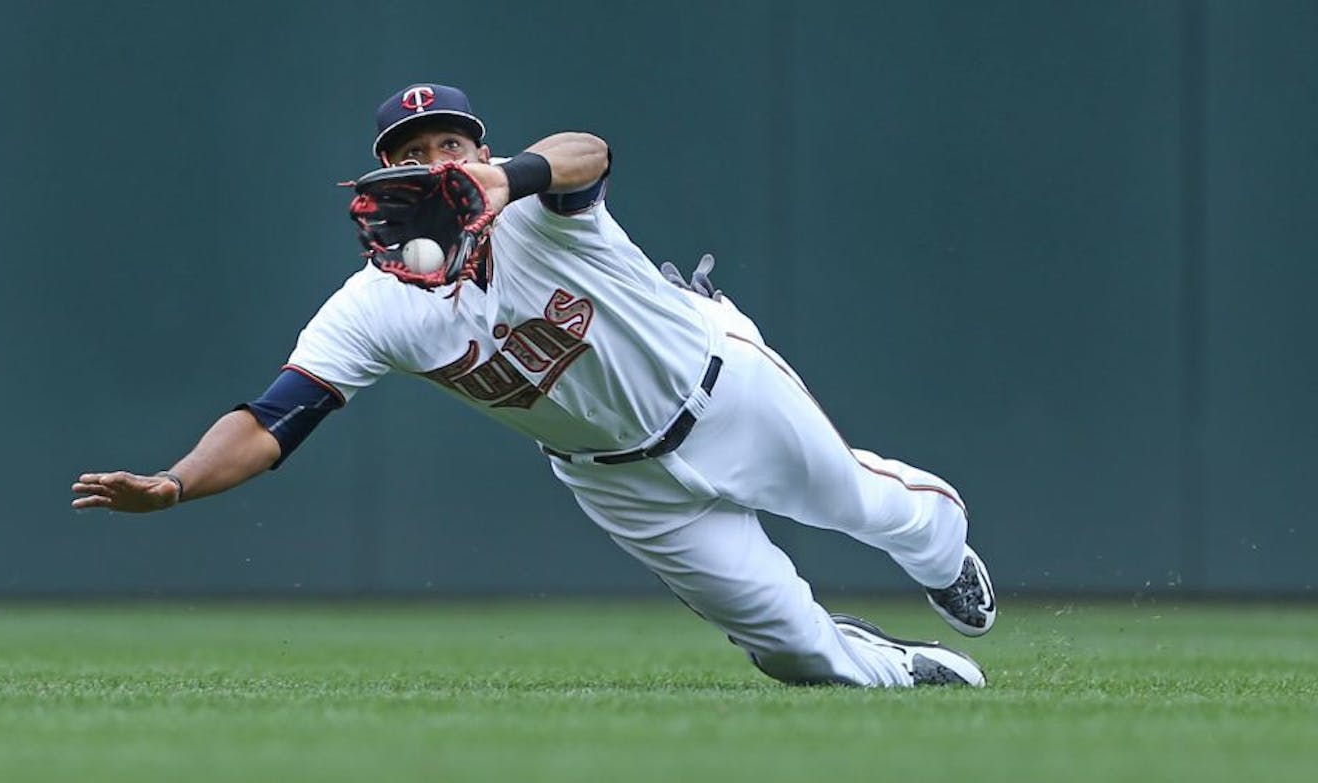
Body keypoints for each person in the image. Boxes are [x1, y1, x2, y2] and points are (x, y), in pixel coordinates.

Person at [72, 82, 996, 687]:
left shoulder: (539, 214)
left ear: (476, 150)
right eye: (409, 148)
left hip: (722, 392)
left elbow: (586, 147)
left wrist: (502, 179)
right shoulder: (372, 306)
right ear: (381, 174)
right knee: (795, 652)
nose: (431, 157)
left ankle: (945, 556)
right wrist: (178, 481)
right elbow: (274, 418)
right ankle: (891, 668)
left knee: (875, 509)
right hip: (613, 475)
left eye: (448, 141)